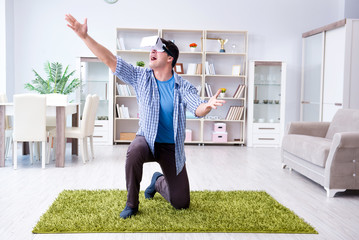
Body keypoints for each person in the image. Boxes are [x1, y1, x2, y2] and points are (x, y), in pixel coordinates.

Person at [65, 14, 226, 219]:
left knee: (181, 202)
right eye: (152, 48)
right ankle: (132, 204)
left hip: (171, 147)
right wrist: (84, 36)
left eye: (159, 49)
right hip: (147, 140)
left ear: (170, 59)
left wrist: (208, 106)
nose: (153, 51)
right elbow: (109, 60)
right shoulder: (141, 77)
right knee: (134, 150)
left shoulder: (182, 86)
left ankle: (158, 181)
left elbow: (197, 108)